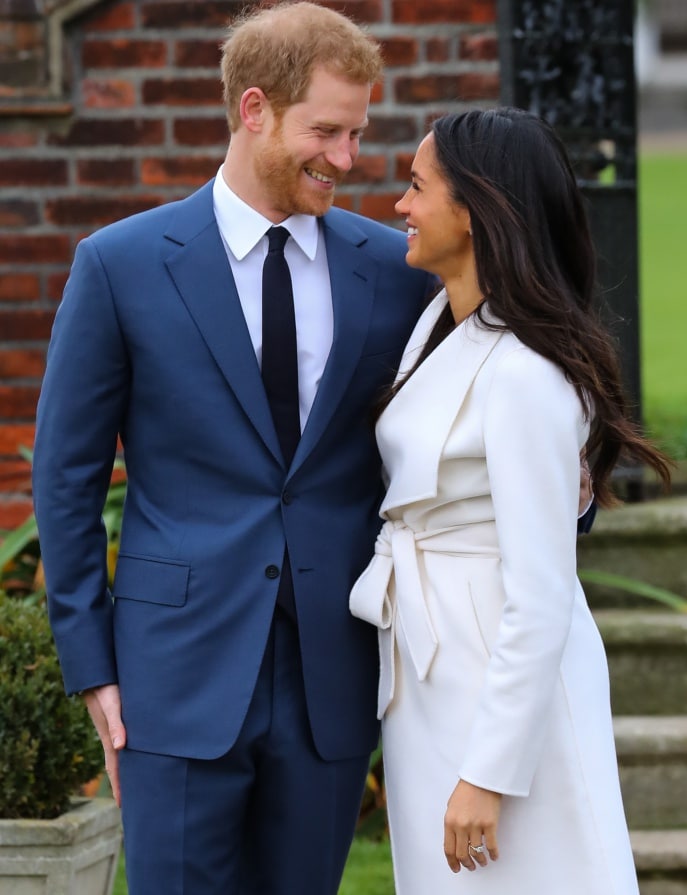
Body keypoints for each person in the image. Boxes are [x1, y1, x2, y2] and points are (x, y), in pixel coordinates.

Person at [31, 4, 435, 894]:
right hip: (171, 675)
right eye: (325, 130)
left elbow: (450, 426)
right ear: (254, 110)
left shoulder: (390, 269)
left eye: (358, 131)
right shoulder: (121, 265)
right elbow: (65, 476)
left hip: (331, 671)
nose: (347, 157)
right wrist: (91, 662)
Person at [349, 107, 671, 894]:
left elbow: (541, 593)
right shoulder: (435, 322)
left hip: (504, 683)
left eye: (418, 187)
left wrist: (489, 774)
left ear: (476, 208)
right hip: (433, 666)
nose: (400, 206)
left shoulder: (528, 374)